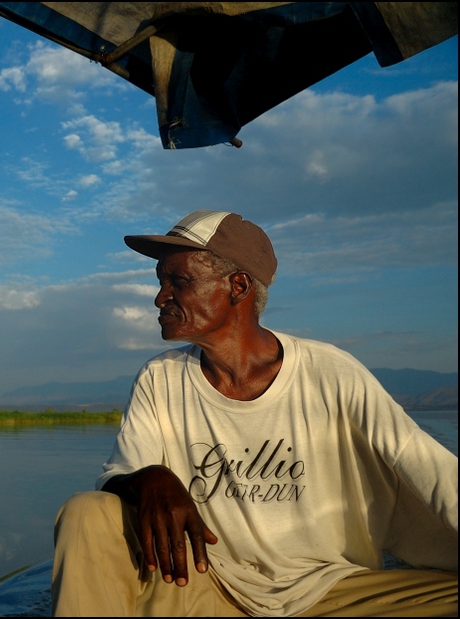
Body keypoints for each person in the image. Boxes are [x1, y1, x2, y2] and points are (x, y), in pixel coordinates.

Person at [52, 210, 458, 617]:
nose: (160, 297)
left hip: (331, 592)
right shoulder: (161, 378)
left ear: (238, 286)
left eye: (178, 281)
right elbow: (117, 474)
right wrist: (146, 477)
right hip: (206, 585)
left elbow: (429, 468)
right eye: (160, 282)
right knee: (87, 511)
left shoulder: (329, 371)